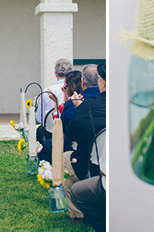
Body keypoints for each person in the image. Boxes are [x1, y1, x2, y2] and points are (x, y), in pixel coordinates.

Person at [63, 63, 106, 223]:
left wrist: (77, 108)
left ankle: (78, 215)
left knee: (64, 162)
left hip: (91, 167)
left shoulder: (86, 106)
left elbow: (71, 134)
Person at [38, 70, 83, 163]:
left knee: (46, 145)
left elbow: (58, 125)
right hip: (81, 141)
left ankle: (48, 168)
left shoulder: (71, 105)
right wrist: (65, 98)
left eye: (65, 87)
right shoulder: (80, 99)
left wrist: (56, 102)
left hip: (70, 142)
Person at [36, 58, 73, 125]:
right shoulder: (76, 91)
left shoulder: (47, 92)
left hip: (50, 130)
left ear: (55, 74)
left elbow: (39, 118)